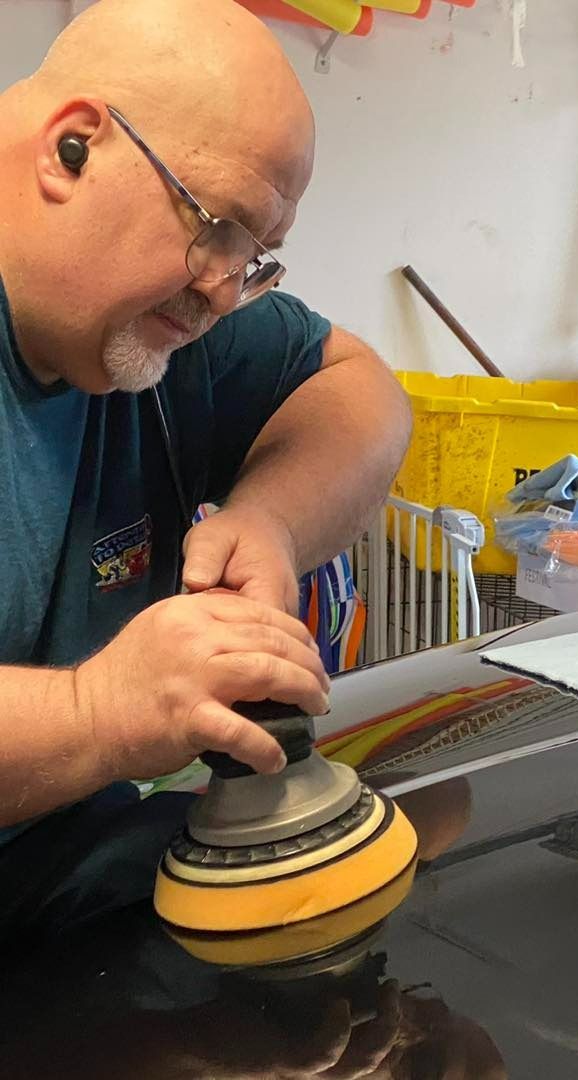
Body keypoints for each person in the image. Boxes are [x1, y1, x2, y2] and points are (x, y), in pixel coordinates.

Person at [0, 0, 411, 836]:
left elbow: (357, 387)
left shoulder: (150, 322)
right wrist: (97, 712)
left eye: (250, 255)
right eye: (216, 228)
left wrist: (272, 522)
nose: (223, 293)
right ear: (70, 149)